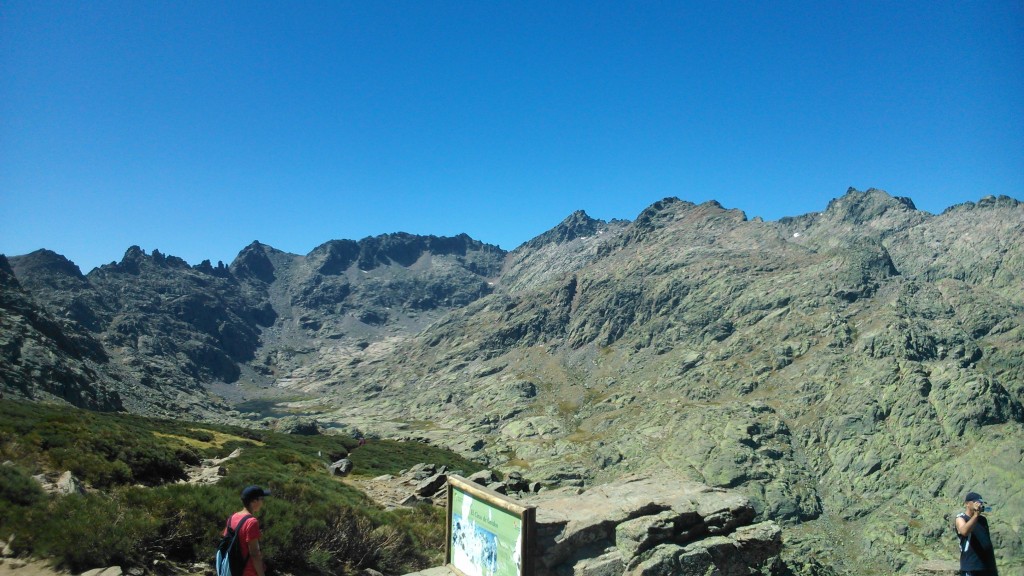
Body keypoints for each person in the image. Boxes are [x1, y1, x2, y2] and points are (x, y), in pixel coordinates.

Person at [224, 485, 271, 576]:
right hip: (248, 571)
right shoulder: (251, 522)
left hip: (233, 570)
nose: (262, 502)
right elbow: (254, 553)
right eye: (262, 499)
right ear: (254, 501)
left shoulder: (232, 518)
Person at [955, 491, 998, 576]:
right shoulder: (961, 518)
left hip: (988, 566)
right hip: (972, 566)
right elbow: (964, 531)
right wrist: (975, 515)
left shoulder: (982, 520)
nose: (979, 505)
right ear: (967, 504)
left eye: (981, 503)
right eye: (976, 502)